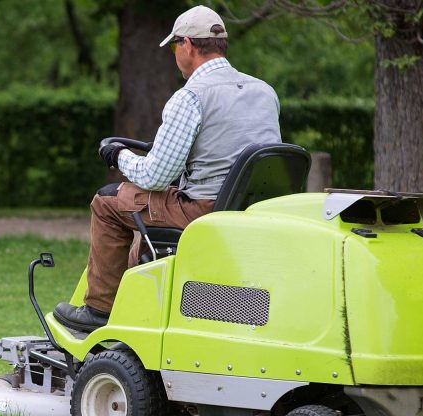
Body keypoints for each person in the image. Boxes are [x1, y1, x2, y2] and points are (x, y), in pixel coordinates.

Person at [53, 5, 281, 332]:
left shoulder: (190, 97)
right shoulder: (264, 92)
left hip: (204, 212)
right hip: (250, 210)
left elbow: (155, 176)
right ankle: (136, 305)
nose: (175, 53)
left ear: (187, 45)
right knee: (144, 209)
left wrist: (117, 156)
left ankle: (99, 311)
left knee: (108, 202)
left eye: (175, 46)